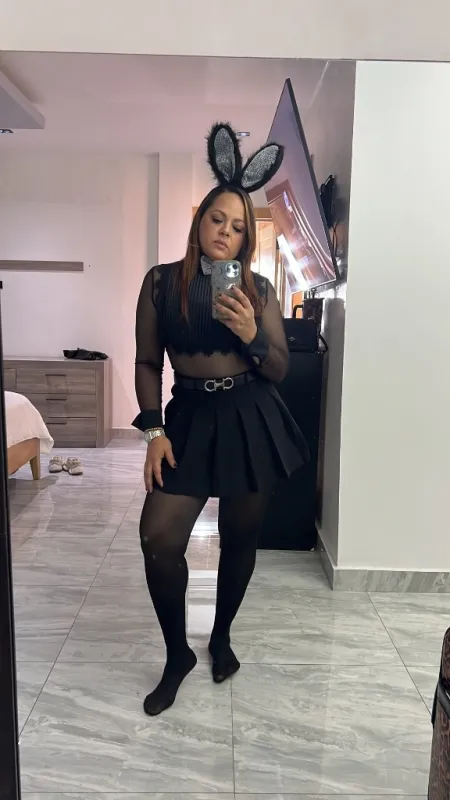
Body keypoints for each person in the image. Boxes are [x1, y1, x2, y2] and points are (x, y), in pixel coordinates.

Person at [133, 123, 309, 716]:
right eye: (217, 220)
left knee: (240, 536)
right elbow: (147, 362)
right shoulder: (160, 283)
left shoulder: (258, 290)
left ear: (245, 240)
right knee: (159, 537)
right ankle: (176, 654)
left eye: (237, 228)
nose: (225, 233)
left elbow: (278, 367)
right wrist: (153, 431)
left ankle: (222, 636)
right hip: (186, 417)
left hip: (249, 415)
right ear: (199, 222)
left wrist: (252, 333)